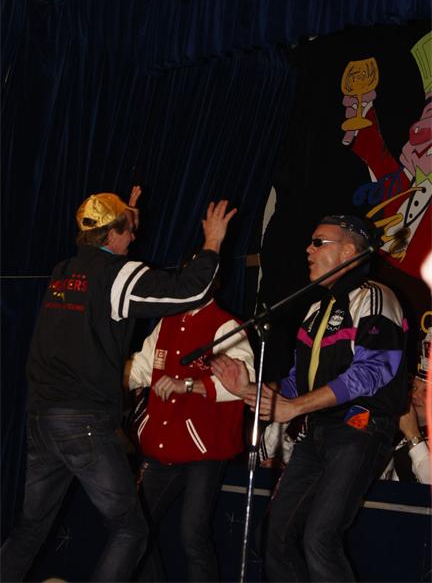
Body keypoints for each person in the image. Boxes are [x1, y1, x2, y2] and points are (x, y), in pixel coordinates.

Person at [0, 188, 236, 583]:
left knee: (31, 528)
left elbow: (96, 302)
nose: (134, 237)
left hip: (42, 418)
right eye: (128, 231)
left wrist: (126, 215)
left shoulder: (63, 272)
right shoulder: (116, 274)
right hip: (82, 421)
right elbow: (190, 291)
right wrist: (212, 242)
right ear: (112, 235)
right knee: (131, 530)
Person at [211, 214, 408, 583]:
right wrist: (248, 390)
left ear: (348, 251)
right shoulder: (316, 311)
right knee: (274, 535)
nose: (308, 249)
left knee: (320, 536)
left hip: (359, 427)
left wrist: (295, 407)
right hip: (317, 431)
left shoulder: (376, 297)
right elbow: (295, 383)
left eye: (318, 242)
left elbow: (374, 371)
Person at [124, 292, 255, 582]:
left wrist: (187, 384)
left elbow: (241, 385)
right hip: (162, 445)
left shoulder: (226, 325)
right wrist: (105, 380)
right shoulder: (167, 321)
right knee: (135, 529)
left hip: (204, 449)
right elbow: (142, 368)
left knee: (192, 533)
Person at [381, 369, 430, 484]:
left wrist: (412, 434)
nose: (414, 395)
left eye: (426, 391)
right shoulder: (393, 431)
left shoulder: (410, 433)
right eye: (413, 387)